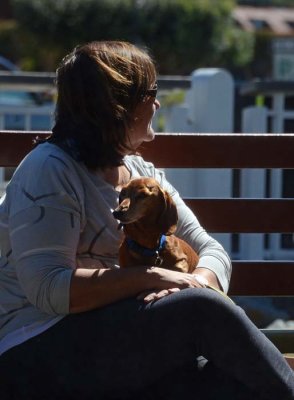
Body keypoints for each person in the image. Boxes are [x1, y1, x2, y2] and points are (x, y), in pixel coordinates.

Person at [0, 41, 293, 400]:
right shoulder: (50, 169)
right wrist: (152, 277)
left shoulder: (140, 172)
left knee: (230, 378)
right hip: (34, 347)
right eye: (150, 93)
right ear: (117, 105)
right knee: (202, 311)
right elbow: (49, 289)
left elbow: (210, 250)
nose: (157, 103)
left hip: (116, 341)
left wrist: (192, 282)